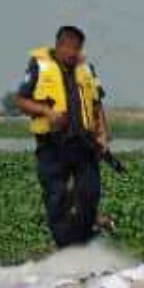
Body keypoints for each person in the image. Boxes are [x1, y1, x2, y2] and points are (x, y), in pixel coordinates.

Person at [13, 25, 109, 249]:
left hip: (84, 143)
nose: (75, 53)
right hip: (53, 144)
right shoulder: (39, 66)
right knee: (57, 197)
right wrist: (47, 113)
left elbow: (97, 104)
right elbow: (21, 100)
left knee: (89, 193)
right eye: (71, 48)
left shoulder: (86, 68)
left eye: (79, 49)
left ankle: (83, 241)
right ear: (60, 45)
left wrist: (103, 134)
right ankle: (66, 248)